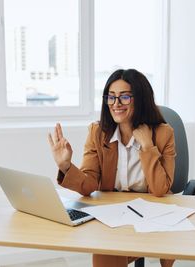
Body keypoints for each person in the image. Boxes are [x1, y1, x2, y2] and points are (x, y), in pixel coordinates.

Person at [48, 69, 176, 267]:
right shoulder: (97, 133)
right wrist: (66, 166)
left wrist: (147, 147)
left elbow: (161, 189)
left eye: (124, 97)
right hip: (112, 216)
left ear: (140, 99)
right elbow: (88, 184)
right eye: (111, 97)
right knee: (107, 250)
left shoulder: (163, 134)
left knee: (108, 253)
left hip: (149, 215)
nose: (116, 104)